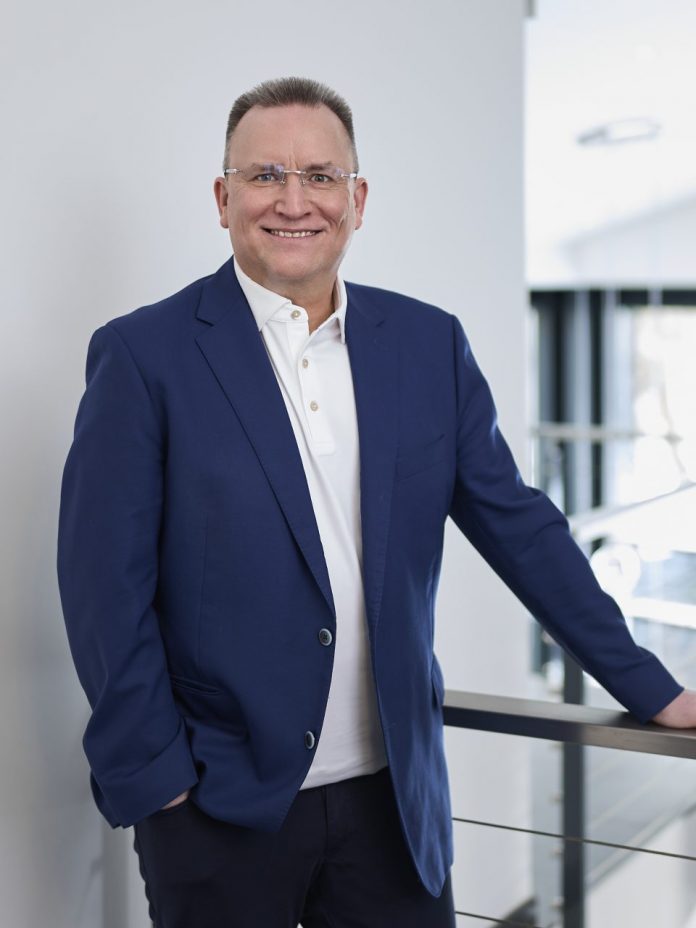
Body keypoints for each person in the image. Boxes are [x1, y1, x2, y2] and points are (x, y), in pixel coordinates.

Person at [57, 76, 696, 928]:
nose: (294, 202)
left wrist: (651, 686)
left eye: (321, 176)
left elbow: (520, 529)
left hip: (396, 802)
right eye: (265, 175)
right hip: (218, 806)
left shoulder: (428, 344)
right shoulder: (144, 356)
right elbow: (103, 588)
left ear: (356, 201)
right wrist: (161, 785)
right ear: (222, 198)